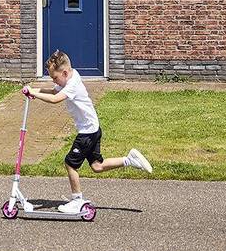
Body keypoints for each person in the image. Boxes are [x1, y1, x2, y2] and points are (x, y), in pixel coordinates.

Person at [23, 49, 153, 214]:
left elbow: (55, 99)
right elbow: (54, 91)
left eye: (54, 77)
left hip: (87, 133)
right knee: (97, 166)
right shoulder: (71, 76)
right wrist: (33, 90)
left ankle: (77, 201)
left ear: (64, 72)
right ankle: (129, 160)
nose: (53, 80)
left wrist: (34, 93)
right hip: (93, 128)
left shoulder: (72, 85)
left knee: (70, 163)